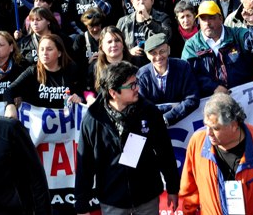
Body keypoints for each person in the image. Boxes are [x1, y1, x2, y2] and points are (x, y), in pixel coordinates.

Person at [75, 61, 180, 215]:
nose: (137, 88)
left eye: (136, 83)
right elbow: (85, 165)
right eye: (131, 86)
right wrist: (82, 204)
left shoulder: (149, 111)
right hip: (112, 200)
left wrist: (172, 187)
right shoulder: (93, 119)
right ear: (113, 92)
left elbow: (165, 151)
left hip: (147, 198)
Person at [181, 0, 253, 96]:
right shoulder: (191, 45)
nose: (207, 23)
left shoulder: (236, 35)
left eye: (211, 18)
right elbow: (189, 75)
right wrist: (213, 87)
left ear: (220, 18)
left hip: (244, 98)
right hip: (211, 102)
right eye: (203, 19)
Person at [4, 34, 83, 117]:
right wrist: (10, 106)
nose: (44, 53)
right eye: (41, 49)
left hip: (65, 124)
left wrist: (79, 98)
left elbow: (83, 92)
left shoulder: (71, 70)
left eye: (49, 49)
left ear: (59, 53)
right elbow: (9, 91)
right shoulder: (32, 71)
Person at [136, 33, 199, 126]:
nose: (158, 57)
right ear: (147, 55)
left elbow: (192, 99)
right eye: (153, 53)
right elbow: (141, 107)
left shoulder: (183, 67)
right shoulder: (141, 75)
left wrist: (168, 117)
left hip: (182, 124)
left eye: (162, 51)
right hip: (154, 126)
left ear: (169, 50)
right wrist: (169, 108)